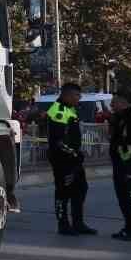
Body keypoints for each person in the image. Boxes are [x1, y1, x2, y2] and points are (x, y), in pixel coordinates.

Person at [45, 82, 94, 236]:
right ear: (67, 95)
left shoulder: (69, 109)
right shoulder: (59, 111)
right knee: (63, 192)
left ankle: (78, 223)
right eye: (77, 95)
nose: (79, 98)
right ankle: (63, 224)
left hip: (73, 159)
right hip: (63, 160)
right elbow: (58, 141)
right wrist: (74, 153)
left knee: (80, 189)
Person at [108, 93, 131, 241]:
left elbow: (130, 142)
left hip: (129, 164)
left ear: (122, 103)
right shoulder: (118, 118)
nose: (111, 106)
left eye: (113, 103)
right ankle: (129, 227)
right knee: (122, 198)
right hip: (119, 164)